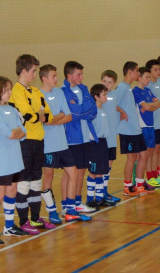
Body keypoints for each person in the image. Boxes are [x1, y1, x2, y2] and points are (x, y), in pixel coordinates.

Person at [9, 54, 56, 233]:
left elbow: (48, 116)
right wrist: (40, 114)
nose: (35, 75)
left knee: (36, 181)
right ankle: (23, 220)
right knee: (24, 182)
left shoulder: (36, 92)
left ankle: (35, 218)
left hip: (39, 140)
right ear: (24, 71)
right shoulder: (16, 92)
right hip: (24, 142)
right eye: (33, 71)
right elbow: (29, 115)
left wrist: (41, 114)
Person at [39, 65, 91, 222]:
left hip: (62, 143)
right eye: (53, 76)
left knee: (73, 173)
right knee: (48, 178)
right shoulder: (38, 95)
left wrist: (55, 118)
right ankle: (52, 211)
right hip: (47, 145)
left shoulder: (59, 92)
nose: (56, 79)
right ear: (44, 79)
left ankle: (70, 210)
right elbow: (43, 120)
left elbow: (68, 116)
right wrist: (56, 117)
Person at [0, 76, 29, 246]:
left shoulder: (11, 109)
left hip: (15, 157)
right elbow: (10, 133)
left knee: (13, 190)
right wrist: (16, 132)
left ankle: (9, 226)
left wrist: (17, 132)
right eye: (7, 90)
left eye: (10, 89)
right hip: (2, 159)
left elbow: (23, 130)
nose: (10, 93)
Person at [60, 61, 99, 213]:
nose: (82, 77)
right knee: (70, 173)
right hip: (72, 138)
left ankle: (77, 201)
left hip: (85, 137)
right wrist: (84, 112)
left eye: (82, 74)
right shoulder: (63, 91)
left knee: (81, 171)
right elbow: (73, 114)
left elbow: (93, 111)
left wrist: (82, 112)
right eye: (79, 74)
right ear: (69, 75)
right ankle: (65, 204)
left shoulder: (84, 89)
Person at [116, 61, 156, 196]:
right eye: (137, 71)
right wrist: (121, 112)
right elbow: (112, 103)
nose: (138, 73)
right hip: (127, 130)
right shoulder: (121, 88)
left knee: (143, 155)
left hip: (135, 128)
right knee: (132, 158)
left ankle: (139, 184)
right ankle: (127, 187)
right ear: (130, 72)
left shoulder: (128, 88)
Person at [132, 67, 160, 188]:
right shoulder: (136, 91)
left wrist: (149, 105)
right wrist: (150, 106)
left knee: (149, 153)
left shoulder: (149, 91)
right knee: (142, 155)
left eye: (149, 77)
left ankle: (143, 179)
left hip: (150, 126)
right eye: (147, 77)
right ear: (139, 78)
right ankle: (138, 180)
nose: (149, 79)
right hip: (142, 126)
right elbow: (150, 107)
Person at [87, 84, 116, 207]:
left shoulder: (103, 110)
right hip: (95, 143)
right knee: (93, 172)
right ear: (96, 96)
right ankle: (90, 199)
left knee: (100, 171)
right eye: (104, 94)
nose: (106, 96)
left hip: (103, 142)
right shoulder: (93, 111)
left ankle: (99, 198)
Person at [100, 70, 123, 203]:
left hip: (112, 137)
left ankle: (105, 190)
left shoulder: (115, 95)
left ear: (114, 84)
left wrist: (123, 112)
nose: (107, 85)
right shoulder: (98, 96)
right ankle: (100, 193)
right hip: (102, 137)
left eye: (110, 82)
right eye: (104, 82)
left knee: (109, 165)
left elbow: (116, 106)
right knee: (101, 166)